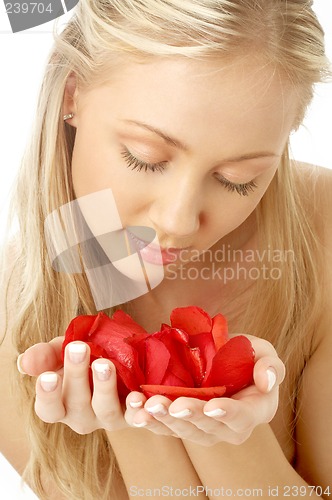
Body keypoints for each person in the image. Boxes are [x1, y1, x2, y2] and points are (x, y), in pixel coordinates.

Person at [0, 0, 331, 498]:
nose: (177, 222)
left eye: (237, 180)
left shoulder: (321, 232)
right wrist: (137, 421)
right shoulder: (15, 314)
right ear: (72, 93)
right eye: (146, 158)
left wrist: (228, 431)